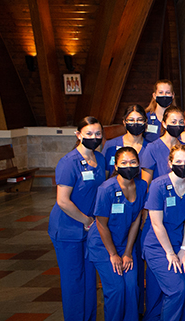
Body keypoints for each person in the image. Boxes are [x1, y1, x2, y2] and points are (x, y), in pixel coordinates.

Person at [48, 116, 105, 321]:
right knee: (74, 281)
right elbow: (63, 201)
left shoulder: (101, 159)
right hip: (68, 229)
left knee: (90, 280)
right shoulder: (68, 162)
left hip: (90, 230)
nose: (94, 137)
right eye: (89, 133)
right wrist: (86, 220)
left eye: (98, 134)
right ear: (79, 135)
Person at [141, 144, 185, 321]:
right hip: (157, 245)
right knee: (177, 289)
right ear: (170, 162)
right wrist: (170, 253)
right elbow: (157, 224)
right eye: (179, 161)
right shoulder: (158, 185)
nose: (183, 164)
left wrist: (184, 248)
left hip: (179, 242)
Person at [88, 146, 147, 321]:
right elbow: (101, 223)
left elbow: (136, 219)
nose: (128, 166)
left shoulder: (142, 185)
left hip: (124, 243)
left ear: (138, 165)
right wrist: (113, 254)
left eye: (133, 162)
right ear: (116, 166)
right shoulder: (106, 189)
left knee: (131, 288)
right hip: (103, 245)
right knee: (116, 290)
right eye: (124, 163)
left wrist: (128, 252)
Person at [140, 106, 185, 185]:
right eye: (173, 122)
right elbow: (146, 183)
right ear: (164, 124)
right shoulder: (152, 148)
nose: (178, 125)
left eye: (181, 122)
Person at [103, 104, 150, 176]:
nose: (135, 123)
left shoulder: (150, 147)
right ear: (124, 122)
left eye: (140, 120)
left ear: (145, 122)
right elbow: (104, 173)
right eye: (131, 120)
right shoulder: (110, 145)